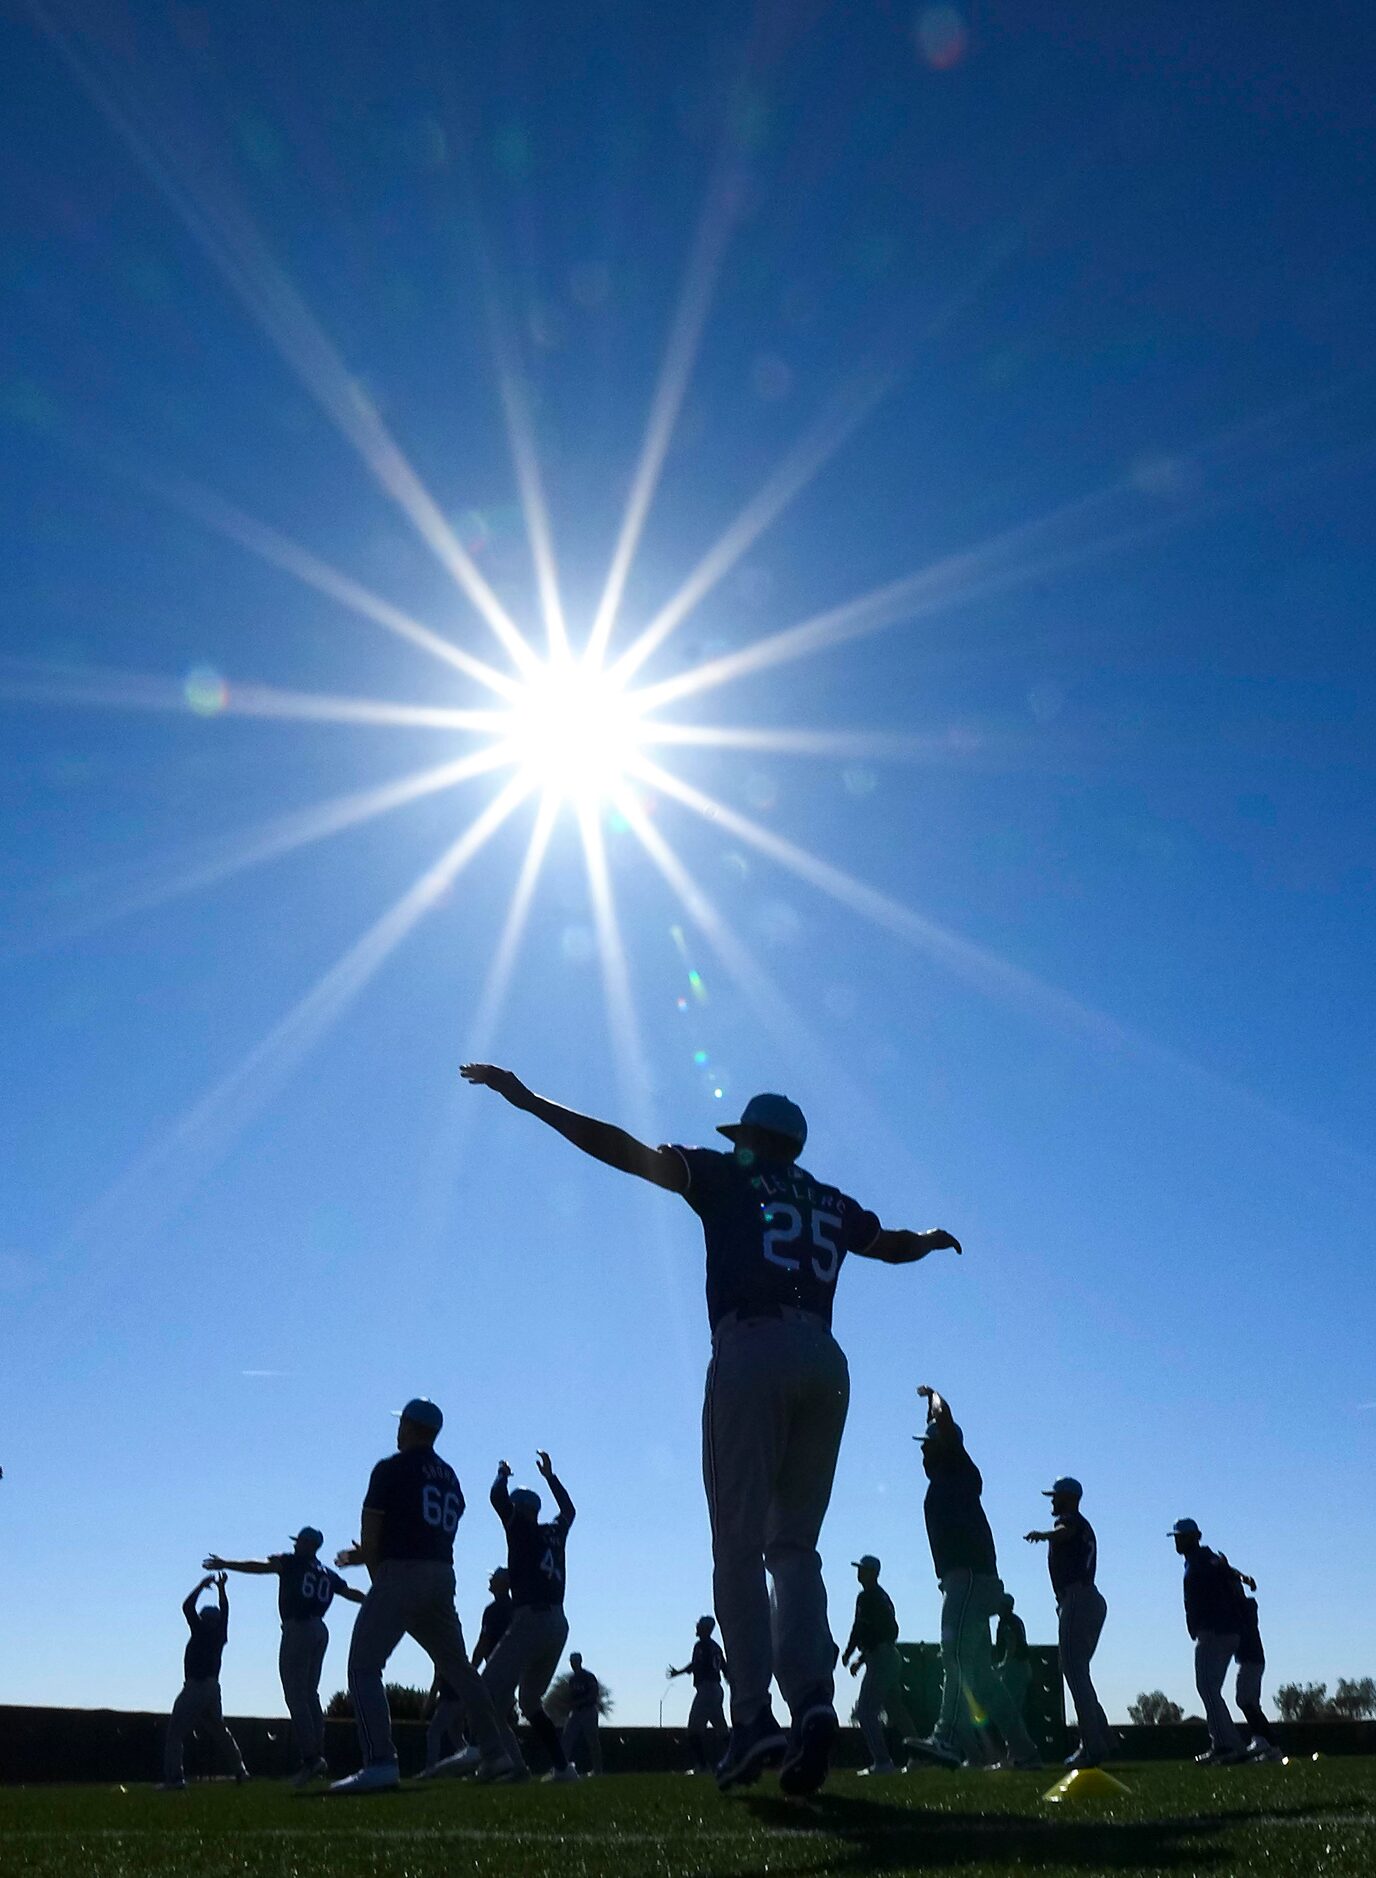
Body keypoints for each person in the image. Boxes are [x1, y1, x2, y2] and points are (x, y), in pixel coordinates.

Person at [462, 1067, 962, 1798]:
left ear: (757, 1140)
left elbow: (623, 1148)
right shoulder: (828, 1197)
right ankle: (814, 1700)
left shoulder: (729, 1176)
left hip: (752, 1346)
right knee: (794, 1548)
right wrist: (929, 1237)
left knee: (736, 1542)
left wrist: (531, 1099)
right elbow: (889, 1245)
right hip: (826, 1361)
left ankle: (755, 1714)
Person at [329, 1397, 511, 1793]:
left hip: (402, 1575)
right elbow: (425, 1529)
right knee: (460, 1669)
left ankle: (380, 1762)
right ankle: (496, 1753)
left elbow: (373, 1537)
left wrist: (378, 1574)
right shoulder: (449, 1475)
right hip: (442, 1574)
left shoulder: (391, 1468)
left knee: (363, 1667)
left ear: (409, 1426)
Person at [907, 1386, 1042, 1772]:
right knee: (981, 1677)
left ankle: (946, 1739)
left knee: (954, 1657)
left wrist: (933, 1396)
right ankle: (1026, 1752)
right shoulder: (947, 1478)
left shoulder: (959, 1468)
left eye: (928, 1444)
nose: (923, 1450)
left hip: (968, 1578)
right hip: (967, 1580)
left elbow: (945, 1422)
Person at [440, 1452, 578, 1782]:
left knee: (484, 1689)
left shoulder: (520, 1528)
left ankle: (482, 1751)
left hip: (531, 1619)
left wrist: (502, 1474)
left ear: (520, 1509)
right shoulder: (554, 1533)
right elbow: (569, 1511)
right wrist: (550, 1477)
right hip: (558, 1623)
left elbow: (496, 1498)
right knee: (530, 1702)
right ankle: (562, 1768)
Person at [203, 1527, 364, 1786]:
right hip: (320, 1629)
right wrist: (373, 1599)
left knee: (295, 1694)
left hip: (298, 1627)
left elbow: (261, 1566)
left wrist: (227, 1564)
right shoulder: (326, 1573)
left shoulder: (291, 1563)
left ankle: (311, 1758)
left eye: (299, 1541)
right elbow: (349, 1593)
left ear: (306, 1544)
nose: (295, 1545)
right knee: (311, 1694)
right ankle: (317, 1754)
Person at [1025, 1477, 1113, 1767]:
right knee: (1078, 1673)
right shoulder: (1077, 1522)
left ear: (1069, 1498)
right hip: (1084, 1599)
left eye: (1057, 1496)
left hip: (1077, 1597)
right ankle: (1100, 1736)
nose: (1053, 1501)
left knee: (1074, 1672)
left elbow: (1065, 1532)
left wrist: (1044, 1535)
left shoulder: (1070, 1520)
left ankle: (1092, 1746)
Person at [1168, 1517, 1247, 1764]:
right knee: (1210, 1689)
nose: (1179, 1541)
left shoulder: (1203, 1561)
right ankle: (1223, 1744)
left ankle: (1229, 1745)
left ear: (1196, 1536)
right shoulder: (1202, 1560)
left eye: (1183, 1537)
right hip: (1221, 1630)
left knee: (1207, 1688)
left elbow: (1224, 1577)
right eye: (1178, 1537)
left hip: (1215, 1631)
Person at [160, 1572, 249, 1790]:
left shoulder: (200, 1631)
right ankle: (240, 1770)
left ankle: (174, 1778)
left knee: (175, 1732)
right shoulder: (220, 1633)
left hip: (196, 1686)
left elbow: (187, 1607)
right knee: (219, 1731)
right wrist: (221, 1589)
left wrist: (201, 1586)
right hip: (213, 1688)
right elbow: (225, 1610)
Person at [841, 1555, 916, 1776]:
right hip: (890, 1656)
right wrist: (858, 1657)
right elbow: (884, 1631)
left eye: (863, 1569)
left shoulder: (867, 1597)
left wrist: (851, 1654)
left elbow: (864, 1630)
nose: (859, 1572)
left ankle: (883, 1762)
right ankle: (921, 1756)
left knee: (865, 1711)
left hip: (881, 1656)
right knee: (896, 1711)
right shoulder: (881, 1596)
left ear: (873, 1573)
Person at [1223, 1561, 1282, 1761]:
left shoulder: (1240, 1608)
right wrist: (1241, 1577)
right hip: (1253, 1659)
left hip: (1250, 1659)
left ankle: (1265, 1742)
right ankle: (1270, 1747)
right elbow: (1234, 1577)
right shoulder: (1244, 1606)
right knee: (1251, 1703)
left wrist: (1236, 1576)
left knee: (1244, 1700)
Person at [669, 1615, 730, 1773]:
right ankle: (737, 1759)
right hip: (717, 1689)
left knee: (693, 1730)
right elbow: (724, 1667)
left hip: (706, 1689)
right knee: (722, 1729)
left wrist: (678, 1672)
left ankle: (702, 1766)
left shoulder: (701, 1645)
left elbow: (696, 1665)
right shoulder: (716, 1646)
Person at [992, 1592, 1032, 1728]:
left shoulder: (1006, 1622)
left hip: (1014, 1667)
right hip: (1023, 1666)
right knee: (1017, 1708)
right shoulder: (1016, 1620)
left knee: (1010, 1708)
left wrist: (1003, 1664)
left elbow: (1011, 1643)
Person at [563, 1651, 603, 1774]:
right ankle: (562, 1768)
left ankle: (597, 1770)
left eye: (575, 1661)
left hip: (588, 1710)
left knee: (592, 1741)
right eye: (571, 1661)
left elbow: (593, 1694)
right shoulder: (572, 1679)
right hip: (575, 1712)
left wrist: (580, 1702)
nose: (573, 1664)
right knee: (566, 1739)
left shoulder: (588, 1676)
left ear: (580, 1661)